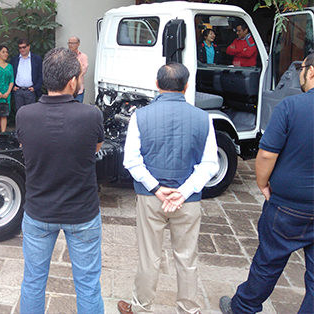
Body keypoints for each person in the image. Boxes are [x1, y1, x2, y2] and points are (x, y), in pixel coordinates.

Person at [118, 62, 219, 314]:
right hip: (188, 200)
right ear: (186, 86)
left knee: (149, 256)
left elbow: (131, 160)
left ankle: (141, 307)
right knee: (187, 258)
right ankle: (189, 310)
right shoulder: (203, 118)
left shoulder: (140, 116)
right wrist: (184, 191)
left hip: (151, 198)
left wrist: (155, 188)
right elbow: (210, 164)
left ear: (157, 84)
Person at [219, 52, 314, 314]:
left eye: (301, 68)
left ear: (311, 71)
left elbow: (266, 154)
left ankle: (243, 308)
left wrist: (262, 184)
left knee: (268, 263)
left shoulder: (291, 106)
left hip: (288, 206)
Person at [17, 47, 105, 314]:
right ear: (72, 82)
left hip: (39, 211)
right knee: (88, 285)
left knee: (33, 282)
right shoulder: (91, 115)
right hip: (82, 212)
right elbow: (95, 148)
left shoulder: (24, 115)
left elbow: (25, 146)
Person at [11, 38, 43, 110]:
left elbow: (41, 75)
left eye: (24, 47)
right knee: (19, 113)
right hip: (18, 91)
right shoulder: (14, 59)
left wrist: (35, 88)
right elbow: (11, 75)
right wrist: (13, 86)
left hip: (30, 91)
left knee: (30, 113)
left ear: (29, 46)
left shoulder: (37, 59)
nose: (22, 49)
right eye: (20, 48)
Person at [67, 36, 89, 102]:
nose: (70, 45)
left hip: (78, 89)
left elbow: (84, 70)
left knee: (78, 106)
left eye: (72, 43)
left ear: (78, 44)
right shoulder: (65, 56)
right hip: (66, 89)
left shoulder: (83, 56)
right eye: (69, 43)